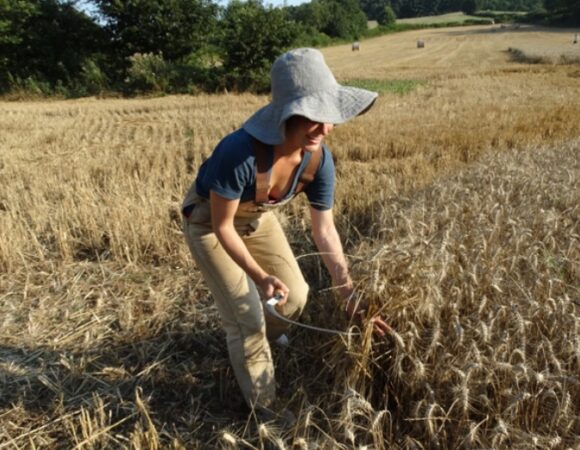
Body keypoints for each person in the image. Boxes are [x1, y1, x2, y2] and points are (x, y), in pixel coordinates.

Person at [181, 48, 390, 420]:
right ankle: (266, 412)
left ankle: (258, 337)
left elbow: (324, 229)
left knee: (295, 298)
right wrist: (260, 278)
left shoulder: (318, 160)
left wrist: (350, 295)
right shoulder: (239, 152)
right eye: (315, 117)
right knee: (246, 317)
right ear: (287, 114)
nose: (325, 129)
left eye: (331, 118)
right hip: (210, 225)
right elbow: (222, 225)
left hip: (258, 217)